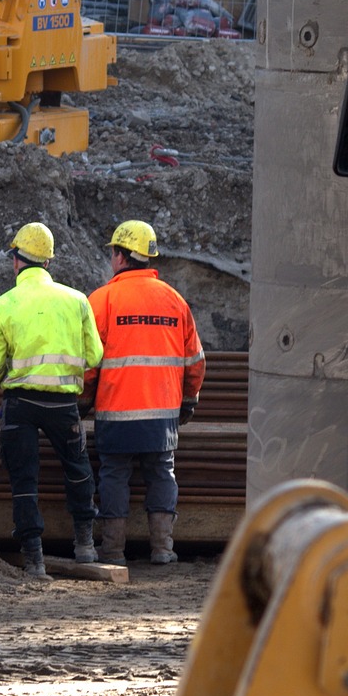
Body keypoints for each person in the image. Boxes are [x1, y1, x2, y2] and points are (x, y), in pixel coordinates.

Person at [0, 221, 104, 579]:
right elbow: (94, 356)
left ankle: (34, 559)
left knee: (24, 478)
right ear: (48, 262)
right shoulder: (77, 301)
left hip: (21, 404)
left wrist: (10, 377)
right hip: (64, 406)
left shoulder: (3, 305)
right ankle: (85, 546)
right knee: (77, 470)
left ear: (16, 261)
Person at [85, 219, 204, 565]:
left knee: (113, 475)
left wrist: (84, 400)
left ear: (122, 257)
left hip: (116, 413)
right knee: (161, 472)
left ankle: (112, 550)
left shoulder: (103, 300)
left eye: (113, 253)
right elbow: (195, 361)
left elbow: (89, 363)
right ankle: (163, 548)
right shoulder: (174, 301)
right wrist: (188, 400)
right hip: (163, 414)